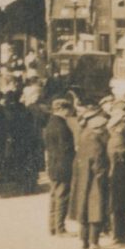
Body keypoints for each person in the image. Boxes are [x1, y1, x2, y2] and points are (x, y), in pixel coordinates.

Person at [69, 110, 110, 249]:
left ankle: (84, 241)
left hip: (82, 180)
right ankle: (94, 243)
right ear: (99, 129)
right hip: (95, 182)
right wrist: (104, 176)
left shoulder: (84, 138)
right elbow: (99, 165)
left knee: (84, 210)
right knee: (96, 212)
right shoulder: (97, 144)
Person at [43, 99, 75, 236]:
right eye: (69, 109)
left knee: (54, 196)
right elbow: (65, 148)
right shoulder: (62, 126)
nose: (70, 112)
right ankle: (60, 228)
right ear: (63, 109)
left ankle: (53, 227)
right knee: (62, 196)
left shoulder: (50, 124)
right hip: (63, 165)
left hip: (53, 164)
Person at [107, 110, 125, 244]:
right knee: (119, 206)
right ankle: (119, 235)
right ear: (118, 125)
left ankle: (120, 233)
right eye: (123, 123)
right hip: (120, 176)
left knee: (120, 206)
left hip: (120, 175)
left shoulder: (118, 137)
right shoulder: (119, 139)